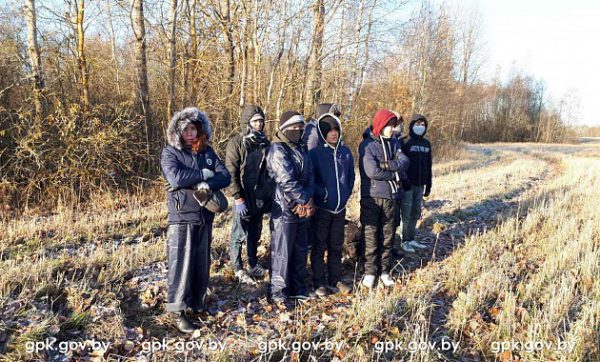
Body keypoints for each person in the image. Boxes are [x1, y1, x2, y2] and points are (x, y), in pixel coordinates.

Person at [160, 107, 231, 333]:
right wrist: (203, 175)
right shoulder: (170, 153)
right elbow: (175, 177)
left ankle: (196, 302)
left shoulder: (207, 152)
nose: (190, 133)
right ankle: (177, 310)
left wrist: (205, 183)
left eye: (193, 128)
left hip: (204, 215)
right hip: (182, 216)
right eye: (186, 129)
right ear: (178, 132)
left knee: (201, 262)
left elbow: (225, 176)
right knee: (181, 264)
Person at [267, 111, 315, 303]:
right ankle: (278, 293)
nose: (298, 130)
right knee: (282, 252)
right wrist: (301, 201)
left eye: (300, 127)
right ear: (284, 128)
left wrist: (308, 200)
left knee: (300, 249)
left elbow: (310, 175)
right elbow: (286, 180)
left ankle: (298, 287)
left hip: (302, 208)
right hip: (285, 208)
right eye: (293, 127)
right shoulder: (278, 150)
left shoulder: (302, 148)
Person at [358, 109, 409, 289]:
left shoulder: (395, 143)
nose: (391, 129)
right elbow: (372, 171)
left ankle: (385, 271)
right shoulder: (367, 146)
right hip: (371, 196)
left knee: (388, 236)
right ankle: (370, 272)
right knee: (371, 235)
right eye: (388, 125)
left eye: (393, 125)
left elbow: (404, 162)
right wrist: (394, 174)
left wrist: (387, 166)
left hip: (391, 196)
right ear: (380, 125)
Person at [309, 113, 355, 296]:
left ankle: (335, 279)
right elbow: (311, 180)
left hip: (340, 208)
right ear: (322, 133)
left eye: (335, 130)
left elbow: (351, 176)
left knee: (336, 245)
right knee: (319, 246)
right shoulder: (315, 154)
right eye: (329, 131)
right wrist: (324, 194)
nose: (333, 134)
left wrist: (345, 194)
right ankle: (319, 282)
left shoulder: (345, 152)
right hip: (322, 208)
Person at [225, 104, 271, 284]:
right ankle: (237, 267)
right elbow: (231, 173)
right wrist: (238, 198)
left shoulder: (265, 144)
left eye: (261, 121)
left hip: (259, 197)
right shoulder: (236, 142)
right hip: (242, 197)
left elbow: (269, 172)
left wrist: (268, 196)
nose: (259, 124)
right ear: (247, 123)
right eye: (255, 121)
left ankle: (253, 263)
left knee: (255, 232)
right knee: (238, 234)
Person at [399, 114, 432, 253]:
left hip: (420, 184)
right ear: (412, 125)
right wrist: (404, 180)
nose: (420, 126)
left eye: (423, 124)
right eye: (417, 124)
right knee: (406, 214)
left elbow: (428, 165)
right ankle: (404, 240)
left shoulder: (426, 144)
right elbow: (400, 164)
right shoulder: (405, 142)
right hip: (407, 184)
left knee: (415, 213)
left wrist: (428, 184)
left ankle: (411, 238)